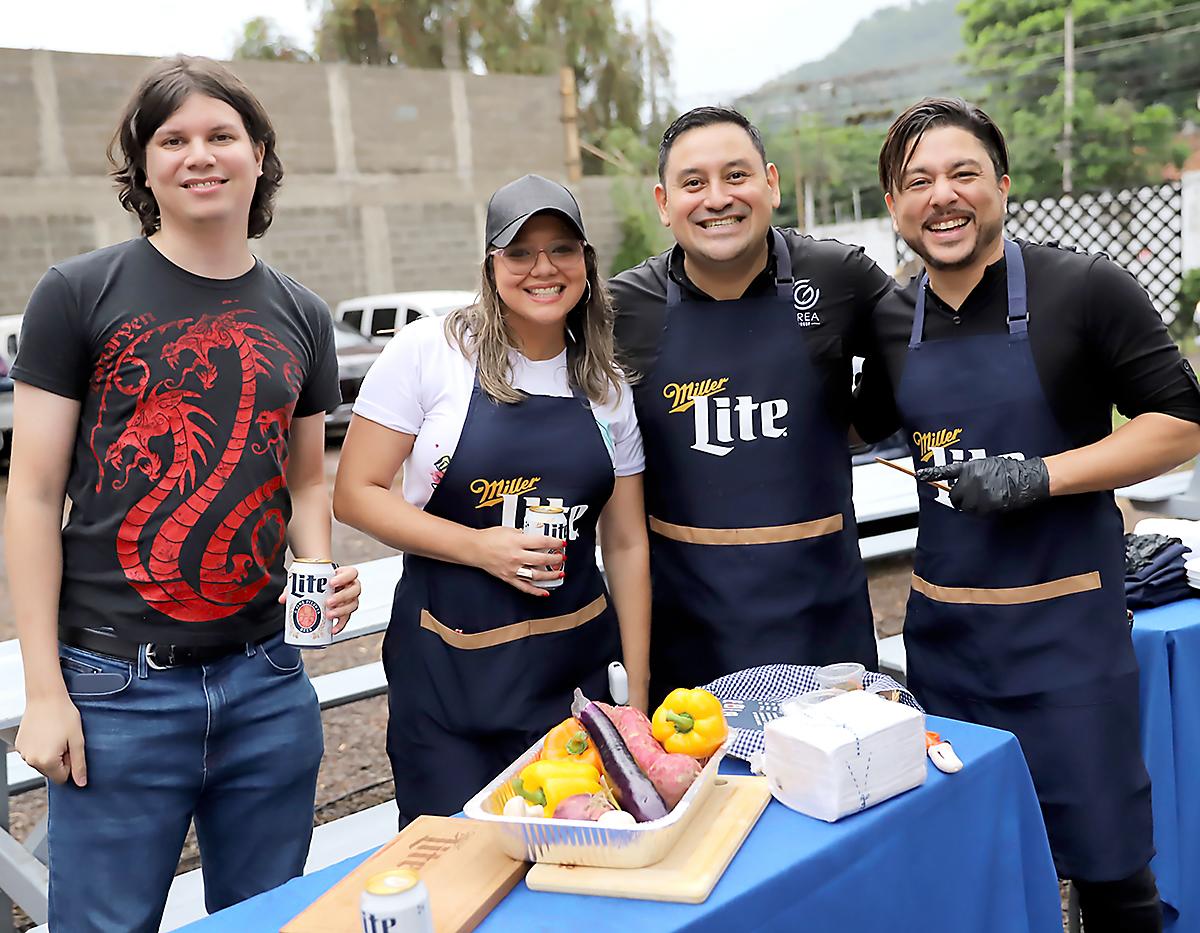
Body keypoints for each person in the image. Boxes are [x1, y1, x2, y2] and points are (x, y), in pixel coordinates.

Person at [6, 56, 361, 932]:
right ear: (144, 163)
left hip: (268, 683)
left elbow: (307, 475)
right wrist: (46, 690)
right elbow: (31, 494)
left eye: (220, 135)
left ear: (259, 154)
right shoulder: (78, 292)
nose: (199, 155)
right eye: (173, 139)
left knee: (263, 919)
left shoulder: (303, 313)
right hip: (115, 689)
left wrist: (318, 568)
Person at [857, 96, 1200, 931]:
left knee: (1114, 874)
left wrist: (1036, 476)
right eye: (918, 181)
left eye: (963, 173)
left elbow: (1179, 425)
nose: (942, 195)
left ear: (1003, 186)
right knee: (977, 867)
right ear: (896, 208)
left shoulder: (1085, 289)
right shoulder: (891, 320)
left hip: (1070, 645)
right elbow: (856, 430)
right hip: (947, 648)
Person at [333, 174, 650, 823]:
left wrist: (635, 696)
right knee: (457, 876)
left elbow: (624, 543)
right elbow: (356, 494)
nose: (543, 268)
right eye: (519, 251)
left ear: (586, 262)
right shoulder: (432, 351)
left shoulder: (606, 385)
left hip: (574, 684)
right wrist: (477, 546)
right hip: (450, 685)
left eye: (562, 249)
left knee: (578, 870)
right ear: (490, 264)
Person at [609, 106, 893, 700]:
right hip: (688, 647)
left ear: (772, 184)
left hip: (827, 633)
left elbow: (924, 356)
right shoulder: (621, 310)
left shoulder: (841, 279)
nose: (717, 199)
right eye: (693, 183)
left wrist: (860, 425)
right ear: (663, 204)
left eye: (736, 176)